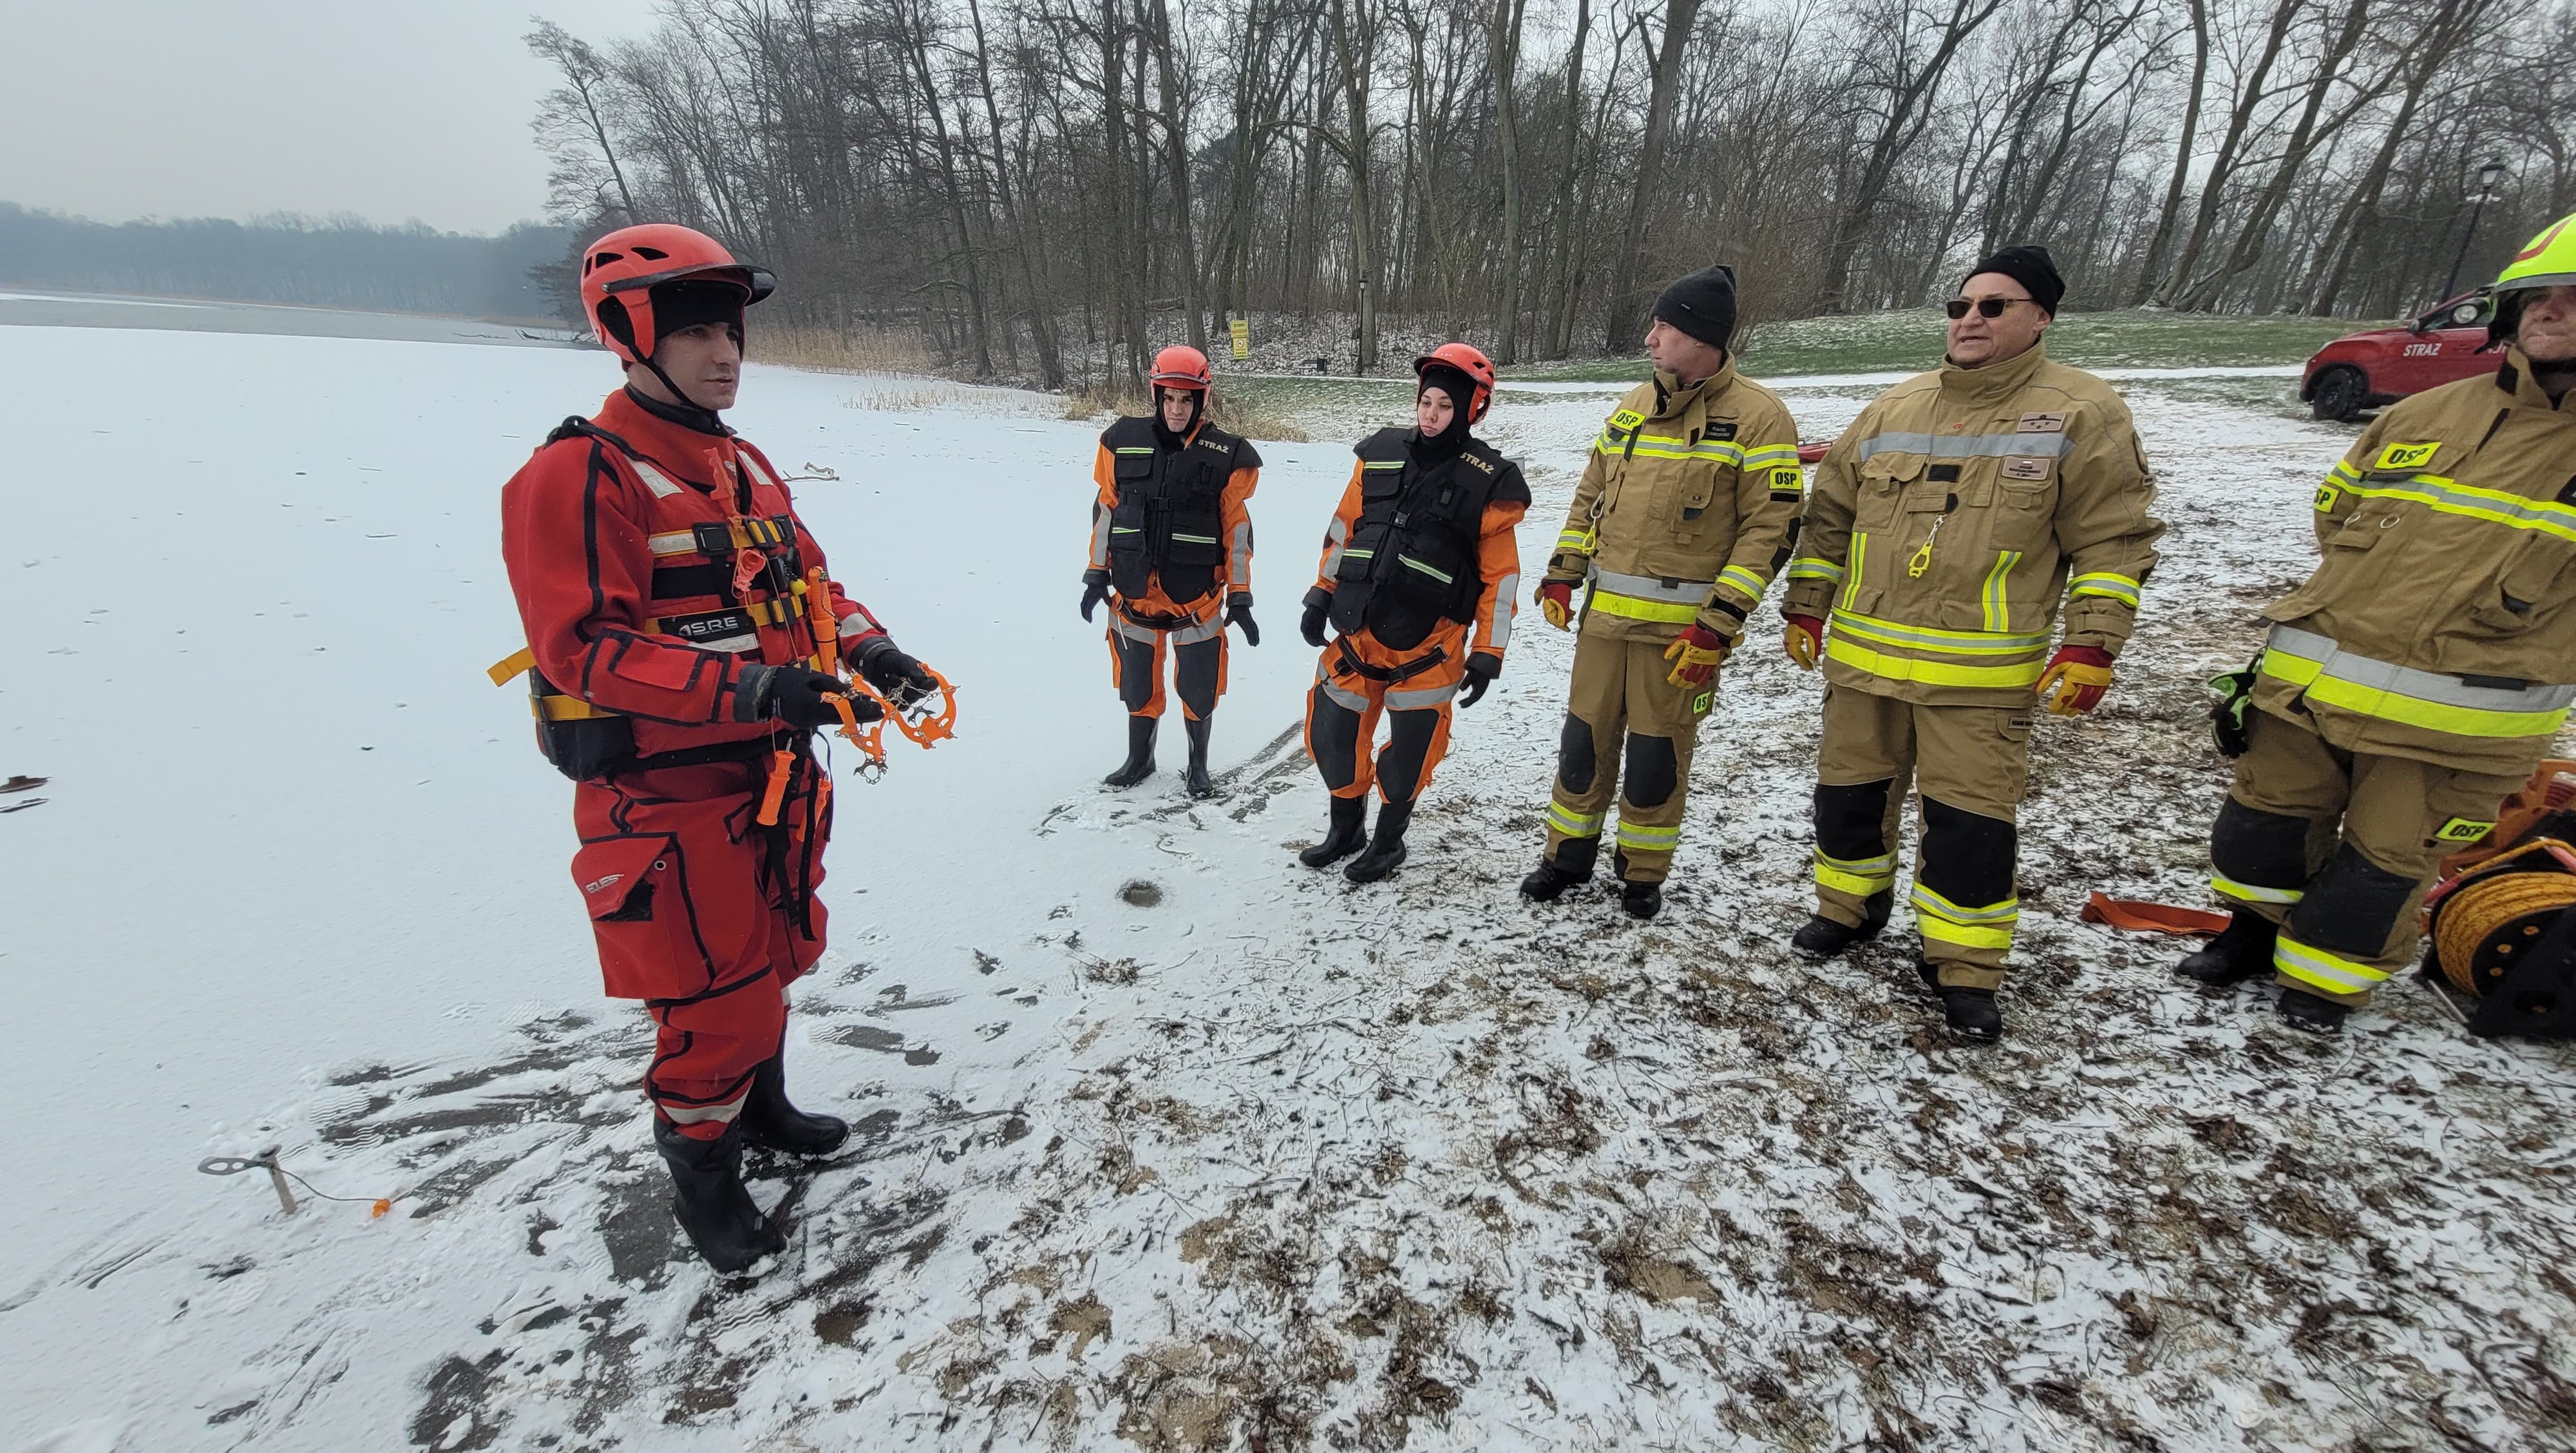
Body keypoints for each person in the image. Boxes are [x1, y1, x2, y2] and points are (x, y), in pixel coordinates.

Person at [497, 223, 941, 1272]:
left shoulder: (739, 463)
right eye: (696, 331)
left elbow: (813, 588)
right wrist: (754, 687)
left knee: (776, 956)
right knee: (714, 995)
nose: (725, 352)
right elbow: (582, 647)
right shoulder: (579, 474)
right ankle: (704, 1176)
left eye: (731, 330)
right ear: (628, 335)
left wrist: (873, 650)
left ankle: (764, 1108)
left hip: (774, 777)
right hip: (669, 797)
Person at [2175, 212, 2576, 1033]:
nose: (2551, 309)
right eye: (2539, 295)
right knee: (2263, 826)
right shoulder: (2426, 414)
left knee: (2382, 865)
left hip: (2453, 722)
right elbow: (2338, 519)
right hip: (2313, 686)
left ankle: (2322, 986)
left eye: (2575, 299)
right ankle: (2251, 936)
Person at [1776, 245, 2163, 1042]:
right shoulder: (1894, 407)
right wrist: (1807, 607)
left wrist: (2092, 643)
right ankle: (1847, 909)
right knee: (1848, 802)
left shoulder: (2081, 411)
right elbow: (1830, 516)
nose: (1971, 320)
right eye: (1960, 307)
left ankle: (1963, 966)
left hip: (1979, 680)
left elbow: (2113, 539)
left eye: (1994, 306)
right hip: (1865, 668)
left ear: (2041, 317)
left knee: (1969, 830)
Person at [1519, 265, 1802, 918]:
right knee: (1582, 744)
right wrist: (1563, 571)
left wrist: (1717, 625)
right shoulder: (1633, 405)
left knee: (1656, 758)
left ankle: (1642, 873)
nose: (1649, 339)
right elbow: (1591, 493)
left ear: (1702, 338)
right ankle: (1565, 857)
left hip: (1680, 639)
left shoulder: (1760, 419)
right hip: (1603, 626)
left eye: (1663, 327)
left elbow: (1771, 530)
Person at [1296, 345, 1530, 881]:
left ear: (1472, 409)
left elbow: (1501, 577)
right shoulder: (1379, 454)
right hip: (1358, 632)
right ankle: (1345, 831)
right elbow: (1344, 530)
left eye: (1446, 406)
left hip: (1429, 647)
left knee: (1409, 756)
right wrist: (1320, 593)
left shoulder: (1489, 483)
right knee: (1333, 735)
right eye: (1426, 402)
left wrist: (1488, 652)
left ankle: (1388, 843)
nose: (1431, 414)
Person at [1081, 346, 1263, 795]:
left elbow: (1237, 530)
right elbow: (1106, 511)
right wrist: (1095, 573)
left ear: (1202, 399)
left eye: (1187, 399)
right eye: (1169, 398)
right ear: (1156, 396)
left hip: (1196, 597)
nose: (1177, 409)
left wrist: (1240, 595)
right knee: (1136, 683)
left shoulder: (1229, 456)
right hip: (1134, 591)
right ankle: (1139, 759)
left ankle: (1198, 767)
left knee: (1200, 685)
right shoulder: (1119, 442)